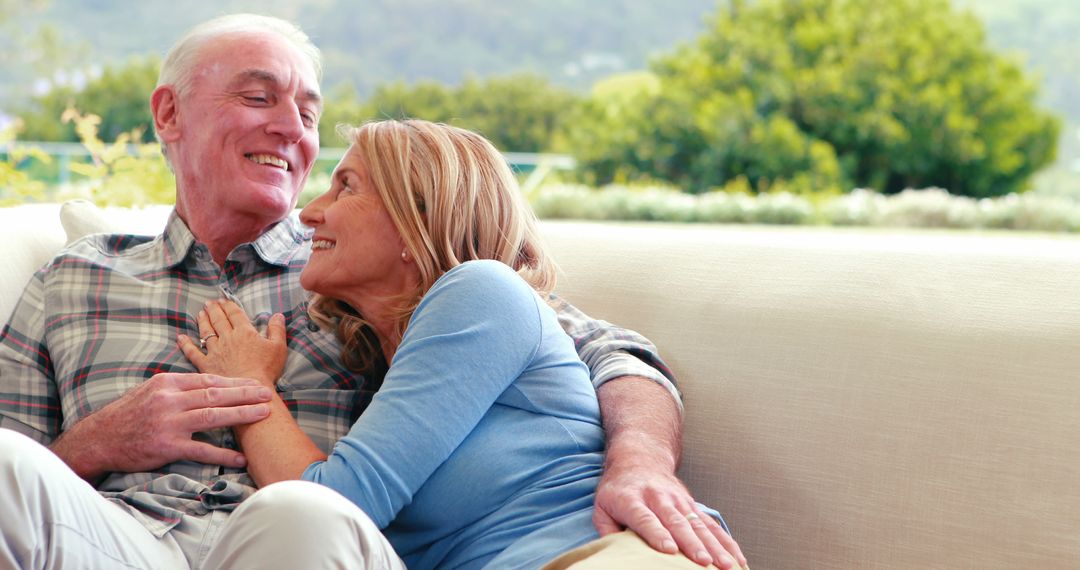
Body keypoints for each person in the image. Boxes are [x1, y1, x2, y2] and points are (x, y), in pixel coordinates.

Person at [0, 12, 745, 570]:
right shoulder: (76, 277)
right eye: (260, 98)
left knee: (299, 515)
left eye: (310, 113)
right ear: (169, 114)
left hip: (304, 543)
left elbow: (612, 353)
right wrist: (95, 444)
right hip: (119, 542)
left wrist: (641, 461)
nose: (292, 129)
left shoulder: (376, 284)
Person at [178, 119, 746, 569]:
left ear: (417, 217)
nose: (310, 212)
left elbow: (331, 502)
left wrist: (249, 386)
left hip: (605, 557)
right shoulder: (388, 366)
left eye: (346, 185)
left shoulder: (481, 292)